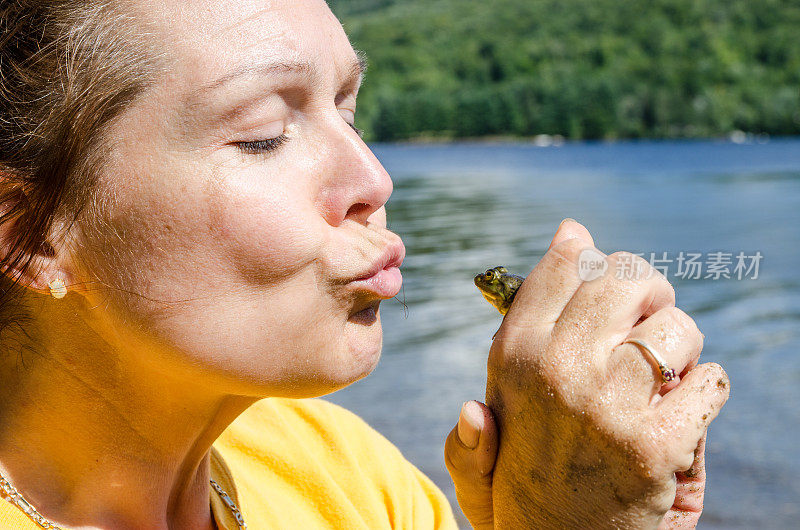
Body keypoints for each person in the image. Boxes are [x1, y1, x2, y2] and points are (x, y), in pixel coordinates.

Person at [0, 1, 729, 528]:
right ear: (26, 233)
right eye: (263, 135)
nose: (376, 180)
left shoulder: (353, 476)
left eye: (348, 111)